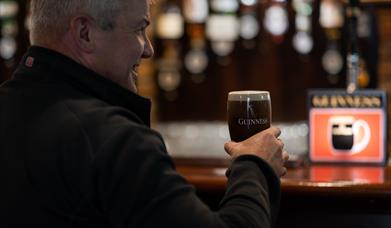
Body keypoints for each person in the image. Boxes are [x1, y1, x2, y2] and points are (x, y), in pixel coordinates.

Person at [0, 0, 289, 227]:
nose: (148, 50)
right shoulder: (115, 140)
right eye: (139, 29)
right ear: (84, 33)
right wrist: (256, 165)